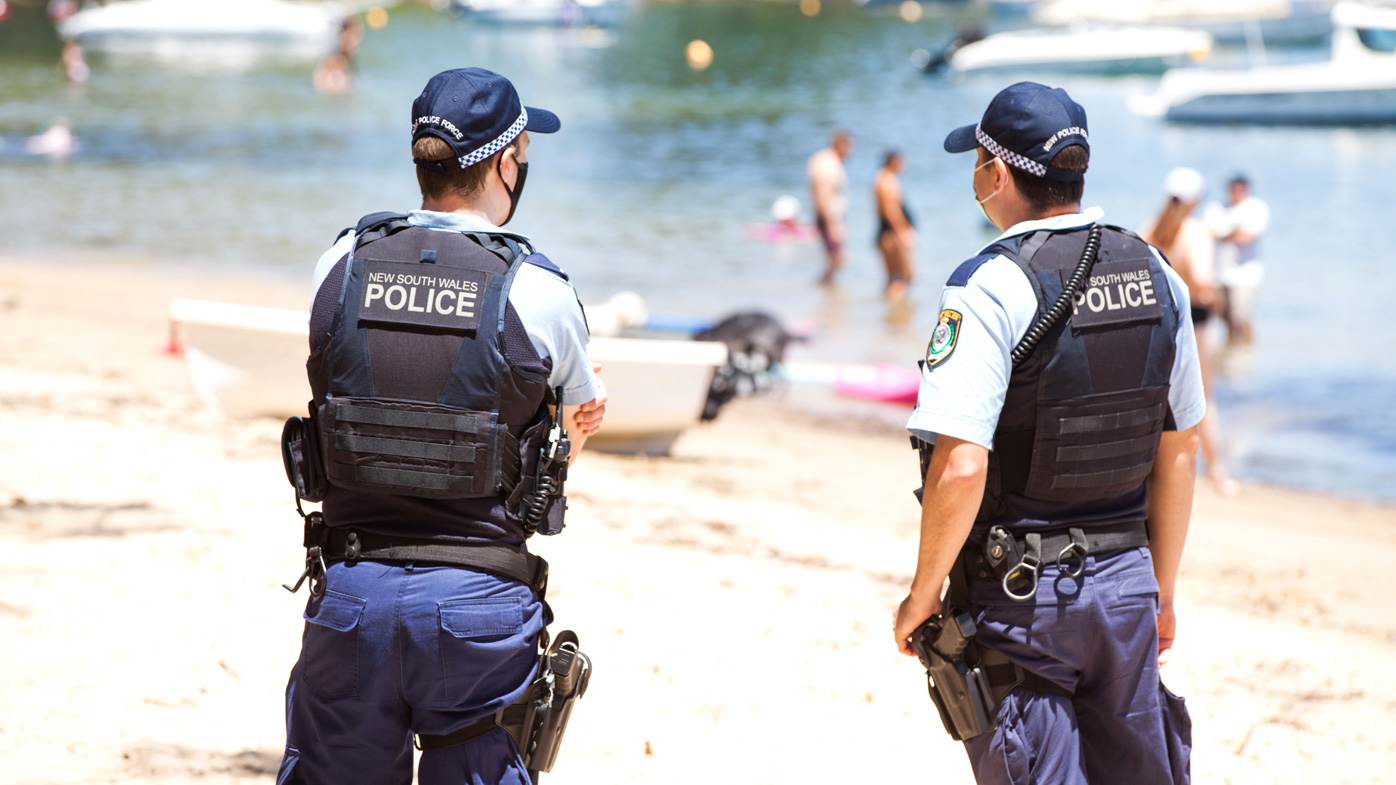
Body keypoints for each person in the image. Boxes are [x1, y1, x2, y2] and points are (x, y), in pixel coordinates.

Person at [278, 67, 606, 785]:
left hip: (353, 592)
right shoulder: (540, 290)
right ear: (503, 162)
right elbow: (576, 427)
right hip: (479, 609)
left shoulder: (340, 261)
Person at [891, 82, 1204, 785]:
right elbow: (1180, 447)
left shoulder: (988, 288)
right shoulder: (1157, 273)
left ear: (995, 174)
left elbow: (963, 464)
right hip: (1128, 588)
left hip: (1022, 601)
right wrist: (1164, 589)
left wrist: (923, 591)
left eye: (976, 161)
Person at [1142, 167, 1237, 495]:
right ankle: (1217, 471)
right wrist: (1216, 300)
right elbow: (1200, 278)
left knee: (1158, 398)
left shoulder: (1151, 229)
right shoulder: (1196, 231)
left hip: (1157, 321)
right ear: (1196, 199)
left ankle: (1153, 467)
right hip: (1194, 321)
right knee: (1204, 400)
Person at [1207, 174, 1269, 346]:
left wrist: (1224, 234)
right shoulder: (1218, 208)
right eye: (1233, 189)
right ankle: (1232, 349)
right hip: (1220, 274)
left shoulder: (1256, 208)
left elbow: (1247, 237)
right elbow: (1208, 232)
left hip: (1246, 275)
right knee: (1224, 317)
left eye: (1239, 189)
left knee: (1241, 317)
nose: (1236, 193)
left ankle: (1248, 350)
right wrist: (1230, 233)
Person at [807, 128, 852, 285]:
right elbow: (822, 194)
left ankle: (826, 295)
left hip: (829, 217)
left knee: (835, 260)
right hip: (829, 217)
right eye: (849, 147)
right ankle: (823, 288)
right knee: (838, 260)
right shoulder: (827, 163)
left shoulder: (825, 160)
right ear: (841, 144)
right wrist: (831, 224)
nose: (851, 152)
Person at [874, 149, 916, 303]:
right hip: (892, 234)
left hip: (886, 233)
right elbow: (891, 212)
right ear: (894, 162)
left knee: (893, 278)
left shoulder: (881, 178)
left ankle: (889, 316)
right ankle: (895, 313)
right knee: (905, 277)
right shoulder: (887, 181)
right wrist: (902, 234)